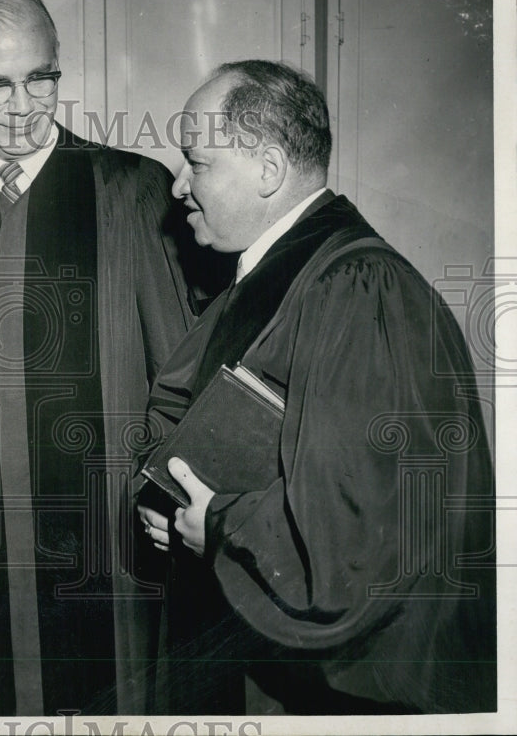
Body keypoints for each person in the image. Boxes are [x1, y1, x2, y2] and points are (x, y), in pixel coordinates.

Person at [0, 0, 227, 717]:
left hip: (111, 546)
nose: (23, 105)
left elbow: (187, 377)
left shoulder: (134, 193)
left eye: (42, 78)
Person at [137, 60, 496, 714]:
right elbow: (187, 404)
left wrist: (213, 524)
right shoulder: (271, 275)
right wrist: (166, 495)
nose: (180, 186)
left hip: (355, 685)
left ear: (269, 170)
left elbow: (359, 524)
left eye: (199, 163)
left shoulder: (358, 290)